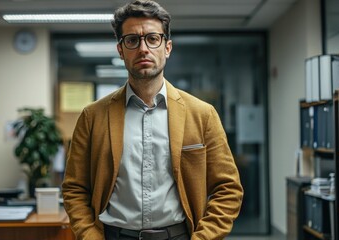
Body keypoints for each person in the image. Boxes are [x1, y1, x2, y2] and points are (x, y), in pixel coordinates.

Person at [62, 0, 243, 239]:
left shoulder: (202, 114)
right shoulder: (92, 116)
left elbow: (228, 189)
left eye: (152, 38)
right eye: (132, 40)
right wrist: (90, 235)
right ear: (120, 49)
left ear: (167, 47)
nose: (143, 49)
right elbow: (74, 188)